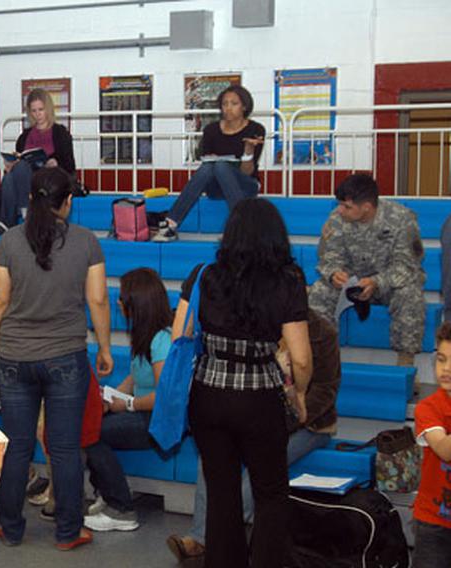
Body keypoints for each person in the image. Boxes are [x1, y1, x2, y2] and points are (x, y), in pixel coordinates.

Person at [0, 167, 113, 550]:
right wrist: (106, 348)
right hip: (66, 357)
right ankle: (68, 531)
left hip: (14, 358)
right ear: (69, 202)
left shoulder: (9, 241)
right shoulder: (86, 242)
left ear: (29, 198)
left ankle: (10, 527)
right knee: (63, 449)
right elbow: (97, 300)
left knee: (17, 446)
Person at [175, 198, 312, 568]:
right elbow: (299, 356)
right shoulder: (288, 280)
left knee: (222, 496)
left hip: (208, 394)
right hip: (259, 398)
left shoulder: (204, 274)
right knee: (270, 495)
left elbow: (180, 334)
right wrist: (298, 393)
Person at [167, 310, 341, 562]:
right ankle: (200, 538)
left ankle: (222, 540)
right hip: (259, 416)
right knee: (211, 459)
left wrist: (288, 419)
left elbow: (326, 390)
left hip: (310, 425)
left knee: (256, 472)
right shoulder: (260, 325)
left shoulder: (323, 334)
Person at [82, 268, 172, 532]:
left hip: (157, 420)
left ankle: (122, 508)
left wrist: (127, 404)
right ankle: (106, 494)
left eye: (122, 298)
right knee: (89, 422)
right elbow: (133, 380)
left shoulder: (161, 340)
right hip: (142, 413)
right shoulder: (145, 335)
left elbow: (163, 397)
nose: (118, 303)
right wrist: (109, 398)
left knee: (91, 434)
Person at [308, 173, 425, 367]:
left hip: (388, 286)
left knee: (409, 294)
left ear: (367, 207)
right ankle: (321, 363)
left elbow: (407, 266)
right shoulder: (337, 218)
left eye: (347, 206)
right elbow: (328, 258)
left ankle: (406, 365)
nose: (340, 210)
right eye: (340, 204)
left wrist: (377, 282)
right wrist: (334, 274)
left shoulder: (402, 219)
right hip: (351, 286)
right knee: (320, 291)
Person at [155, 86, 265, 242]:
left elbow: (247, 173)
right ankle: (170, 225)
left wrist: (248, 151)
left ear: (244, 106)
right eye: (225, 104)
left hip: (246, 185)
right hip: (217, 187)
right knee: (209, 167)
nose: (228, 108)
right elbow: (207, 160)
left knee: (220, 166)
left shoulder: (256, 129)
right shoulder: (211, 130)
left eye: (234, 103)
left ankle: (241, 228)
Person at [0, 88, 76, 232]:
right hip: (27, 178)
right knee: (9, 176)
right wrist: (11, 165)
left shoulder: (60, 132)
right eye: (33, 111)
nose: (37, 114)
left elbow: (70, 165)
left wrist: (56, 162)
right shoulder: (24, 136)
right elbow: (20, 157)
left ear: (48, 109)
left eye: (41, 109)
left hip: (51, 177)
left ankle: (17, 219)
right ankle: (12, 221)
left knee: (17, 171)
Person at [412, 322, 451, 567]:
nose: (446, 368)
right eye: (441, 359)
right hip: (433, 524)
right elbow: (445, 450)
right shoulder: (428, 408)